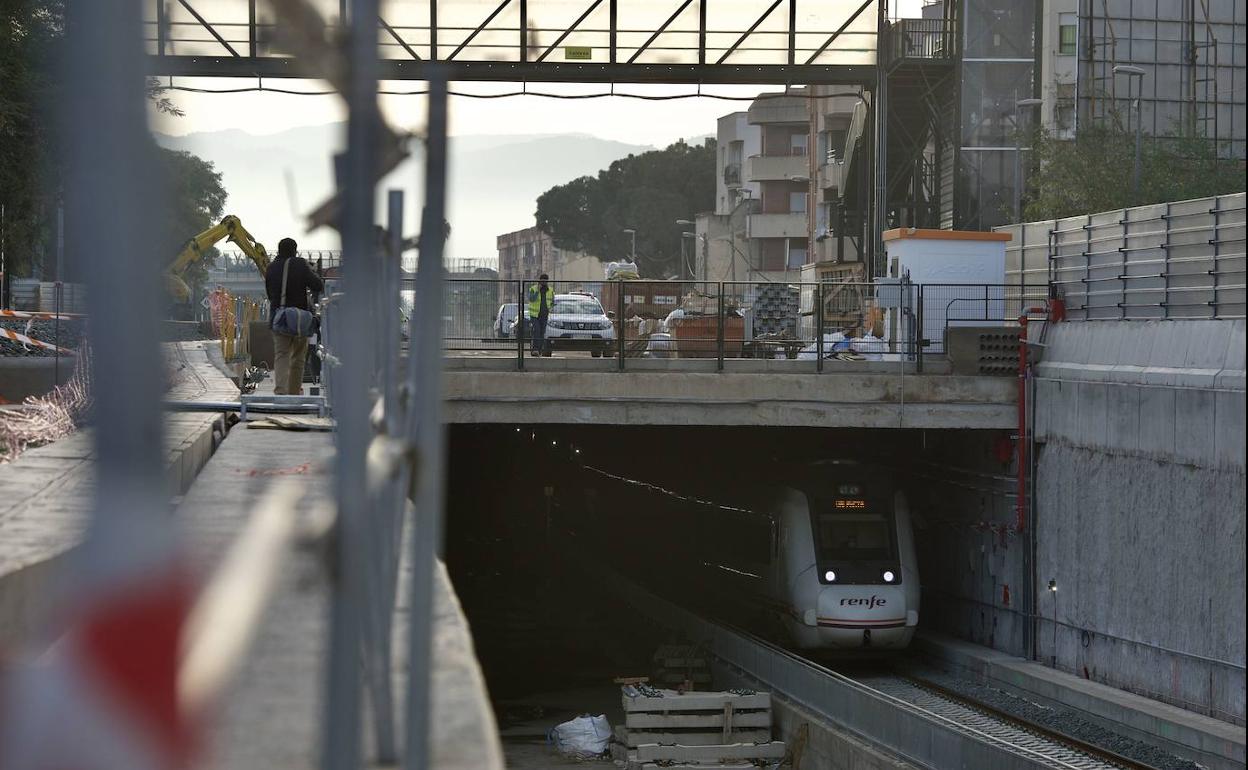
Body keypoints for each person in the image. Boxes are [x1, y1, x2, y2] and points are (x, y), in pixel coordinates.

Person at [265, 237, 324, 395]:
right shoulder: (300, 264)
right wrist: (312, 271)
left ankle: (281, 392)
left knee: (282, 355)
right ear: (294, 250)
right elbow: (318, 285)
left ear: (278, 250)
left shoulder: (270, 268)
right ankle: (293, 393)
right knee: (298, 358)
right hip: (299, 321)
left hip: (279, 319)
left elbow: (270, 295)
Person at [526, 273, 554, 357]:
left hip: (544, 314)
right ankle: (535, 349)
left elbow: (553, 301)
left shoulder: (550, 290)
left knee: (542, 332)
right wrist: (538, 290)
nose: (544, 283)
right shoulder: (533, 289)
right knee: (537, 331)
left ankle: (539, 349)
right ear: (539, 281)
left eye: (546, 281)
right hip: (534, 315)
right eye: (542, 281)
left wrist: (549, 308)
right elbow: (531, 299)